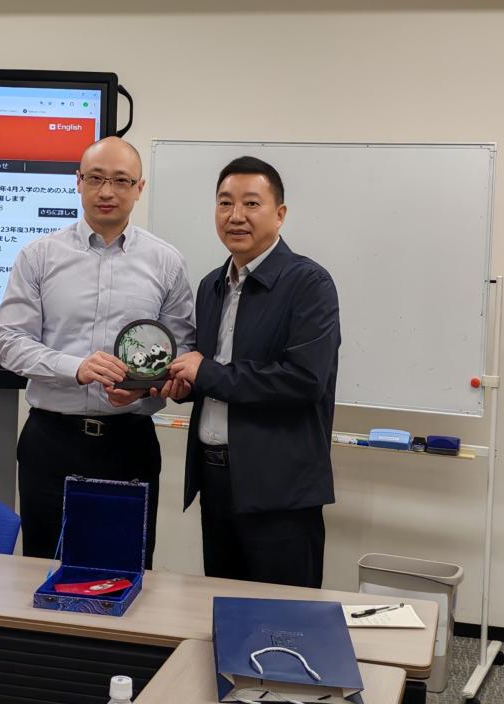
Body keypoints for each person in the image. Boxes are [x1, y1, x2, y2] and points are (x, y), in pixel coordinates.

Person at [0, 136, 194, 567]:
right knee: (44, 571)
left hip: (129, 443)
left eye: (121, 181)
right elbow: (10, 343)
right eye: (96, 179)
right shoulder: (38, 256)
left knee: (125, 574)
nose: (107, 191)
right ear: (78, 182)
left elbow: (179, 355)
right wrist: (75, 367)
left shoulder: (166, 262)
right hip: (51, 442)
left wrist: (143, 389)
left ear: (139, 188)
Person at [166, 156, 340, 588]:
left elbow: (303, 380)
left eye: (251, 203)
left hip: (279, 491)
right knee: (222, 607)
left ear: (279, 214)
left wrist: (206, 373)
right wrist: (185, 384)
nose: (236, 216)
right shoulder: (211, 285)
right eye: (225, 203)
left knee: (282, 615)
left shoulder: (309, 284)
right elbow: (210, 370)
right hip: (215, 481)